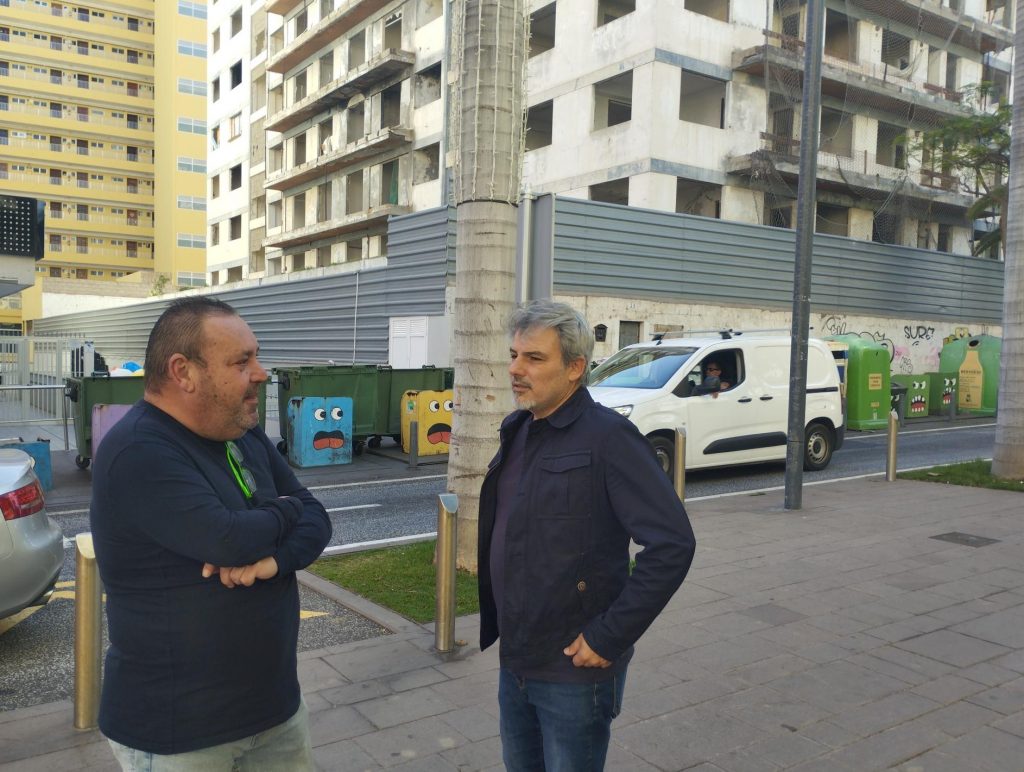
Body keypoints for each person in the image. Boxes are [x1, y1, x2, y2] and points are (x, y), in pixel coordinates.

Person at [90, 297, 331, 770]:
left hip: (275, 711)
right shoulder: (140, 450)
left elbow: (318, 518)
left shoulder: (241, 430)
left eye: (255, 357)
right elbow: (226, 539)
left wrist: (276, 559)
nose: (260, 373)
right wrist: (284, 512)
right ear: (183, 372)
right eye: (242, 362)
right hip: (182, 734)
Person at [478, 299, 696, 770]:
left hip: (574, 670)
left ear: (575, 367)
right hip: (516, 660)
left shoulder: (609, 438)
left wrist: (608, 637)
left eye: (533, 358)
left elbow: (673, 543)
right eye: (514, 354)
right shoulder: (517, 429)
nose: (516, 368)